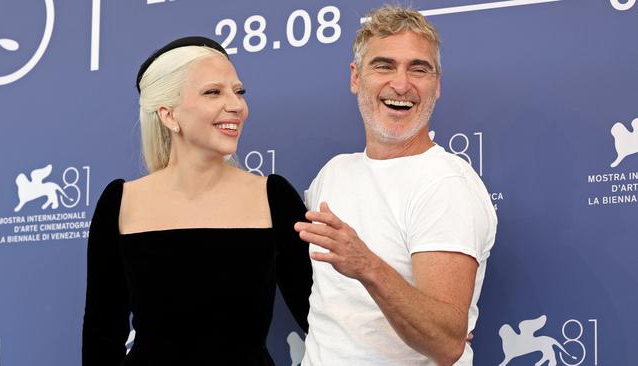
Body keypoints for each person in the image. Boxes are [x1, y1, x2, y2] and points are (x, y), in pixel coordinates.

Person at [82, 36, 312, 365]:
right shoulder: (120, 203)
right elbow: (101, 339)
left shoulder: (273, 197)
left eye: (239, 91)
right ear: (168, 115)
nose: (236, 105)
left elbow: (321, 320)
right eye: (213, 92)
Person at [294, 6, 497, 366]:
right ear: (356, 77)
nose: (401, 84)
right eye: (384, 65)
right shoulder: (333, 174)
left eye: (419, 69)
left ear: (437, 85)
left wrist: (367, 265)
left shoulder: (445, 185)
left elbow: (446, 344)